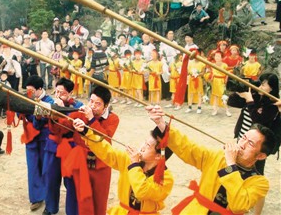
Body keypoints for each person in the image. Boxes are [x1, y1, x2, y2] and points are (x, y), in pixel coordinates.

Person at [147, 105, 277, 215]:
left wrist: (231, 164)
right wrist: (161, 124)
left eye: (251, 144)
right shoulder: (218, 156)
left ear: (261, 156)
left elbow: (239, 205)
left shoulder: (260, 183)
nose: (242, 144)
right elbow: (189, 149)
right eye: (243, 138)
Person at [72, 121, 174, 214]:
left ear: (158, 156)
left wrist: (134, 164)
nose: (142, 147)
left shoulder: (166, 178)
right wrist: (86, 132)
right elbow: (108, 152)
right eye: (145, 142)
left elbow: (142, 191)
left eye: (148, 145)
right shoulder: (129, 159)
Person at [56, 86, 119, 215]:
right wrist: (55, 112)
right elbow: (61, 127)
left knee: (99, 198)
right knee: (79, 196)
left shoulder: (113, 118)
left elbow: (104, 139)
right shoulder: (80, 113)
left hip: (101, 164)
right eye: (91, 101)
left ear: (105, 106)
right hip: (81, 162)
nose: (92, 106)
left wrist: (91, 120)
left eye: (98, 104)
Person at [42, 78, 83, 215]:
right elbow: (41, 124)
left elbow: (69, 126)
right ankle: (50, 207)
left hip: (70, 146)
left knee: (71, 181)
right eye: (57, 91)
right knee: (50, 178)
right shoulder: (49, 103)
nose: (58, 95)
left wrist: (60, 110)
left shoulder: (78, 105)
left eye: (62, 92)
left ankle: (72, 211)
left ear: (70, 93)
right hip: (52, 145)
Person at [23, 75, 54, 211]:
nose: (28, 93)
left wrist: (37, 117)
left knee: (46, 168)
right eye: (27, 90)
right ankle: (36, 198)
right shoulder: (26, 100)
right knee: (33, 167)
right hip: (30, 138)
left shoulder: (49, 101)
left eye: (31, 90)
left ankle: (49, 196)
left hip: (45, 139)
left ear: (39, 89)